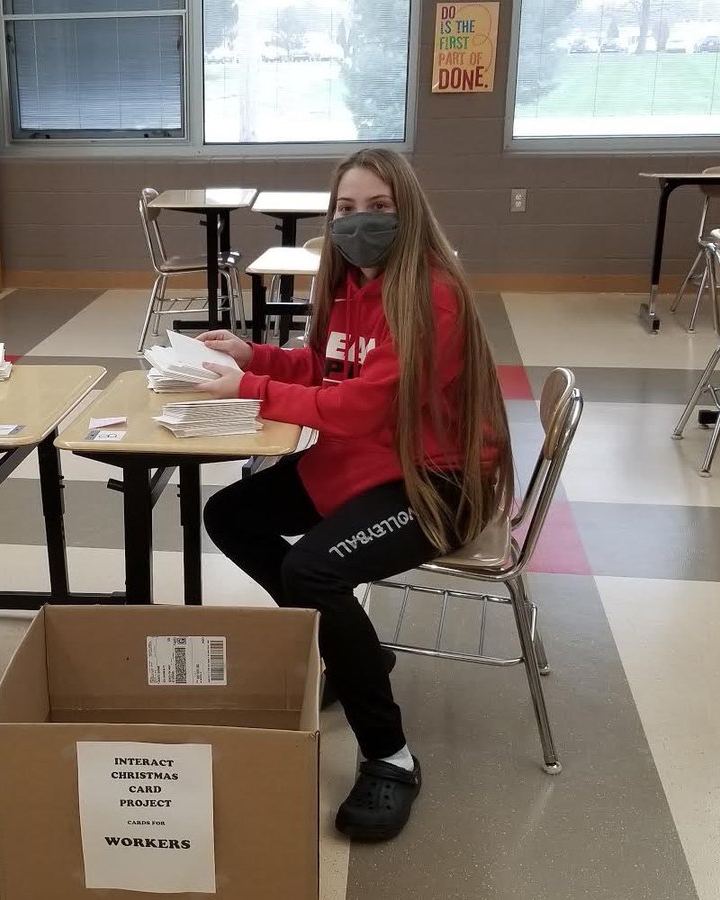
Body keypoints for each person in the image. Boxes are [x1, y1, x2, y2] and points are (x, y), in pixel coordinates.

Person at [197, 149, 513, 842]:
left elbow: (364, 406)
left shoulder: (432, 294)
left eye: (377, 209)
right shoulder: (348, 286)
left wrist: (250, 390)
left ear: (409, 214)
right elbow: (328, 366)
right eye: (346, 208)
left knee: (313, 569)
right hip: (366, 463)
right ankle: (351, 648)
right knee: (229, 513)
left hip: (436, 482)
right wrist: (257, 357)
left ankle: (390, 756)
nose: (358, 222)